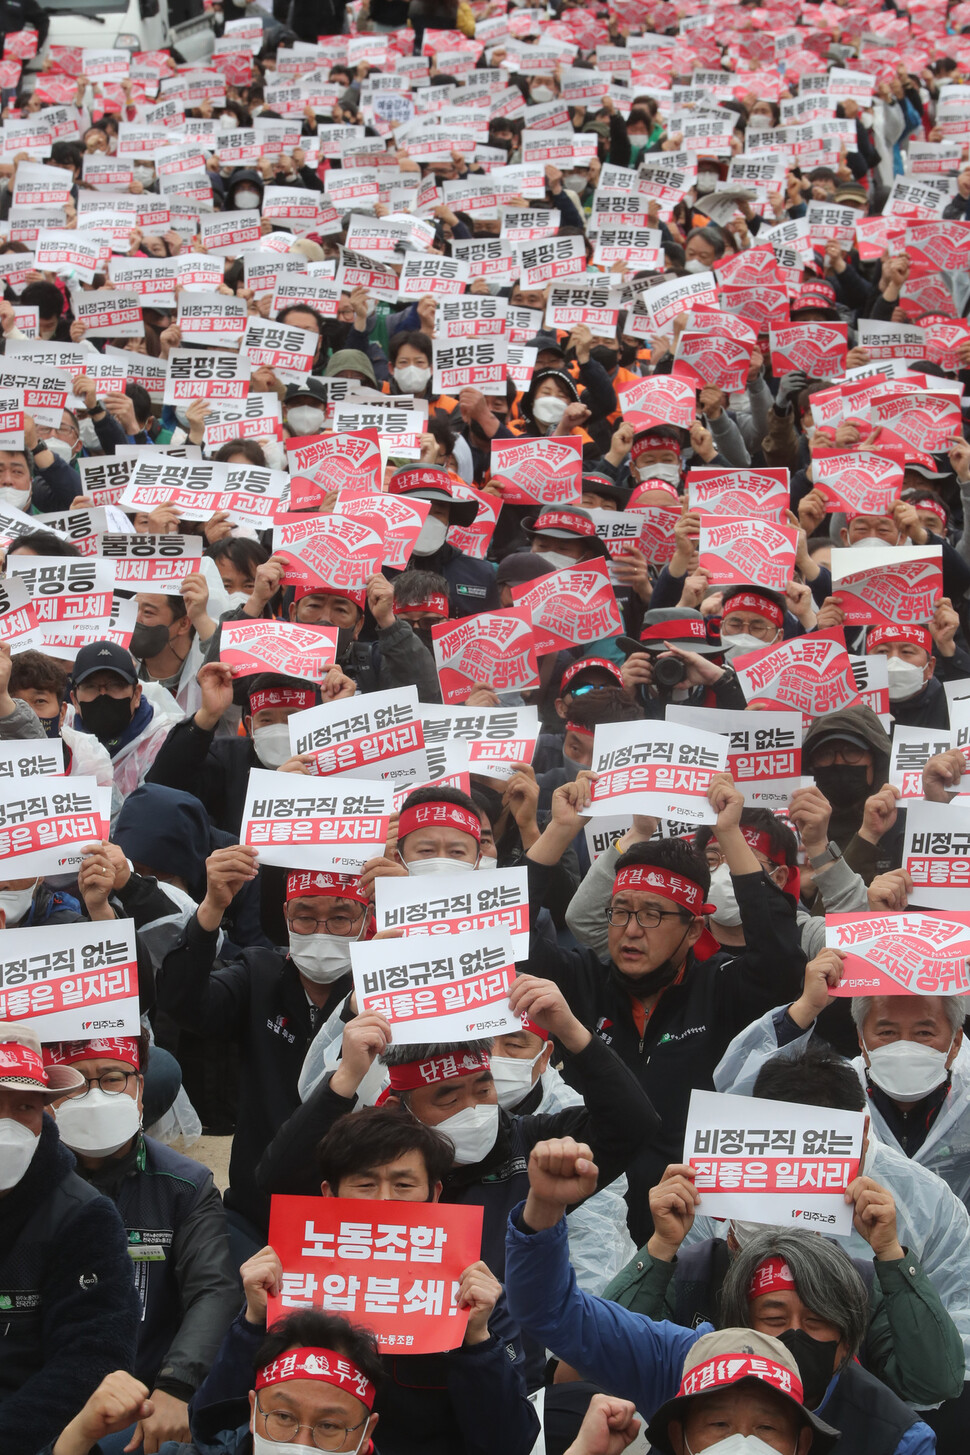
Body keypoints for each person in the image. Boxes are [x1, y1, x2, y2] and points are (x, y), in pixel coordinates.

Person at [505, 1137, 935, 1455]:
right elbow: (551, 1311)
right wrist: (544, 1207)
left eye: (817, 1322)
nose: (794, 1336)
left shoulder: (895, 1438)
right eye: (774, 1319)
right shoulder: (680, 1359)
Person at [525, 773, 805, 1242]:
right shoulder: (579, 983)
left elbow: (780, 959)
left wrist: (729, 834)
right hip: (581, 1230)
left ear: (694, 930)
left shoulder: (723, 988)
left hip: (692, 1234)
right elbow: (500, 935)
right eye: (620, 911)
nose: (631, 930)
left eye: (653, 914)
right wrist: (559, 831)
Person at [188, 1108, 540, 1455]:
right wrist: (252, 1321)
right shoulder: (284, 1280)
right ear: (330, 1193)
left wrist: (477, 1341)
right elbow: (211, 1425)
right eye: (365, 1184)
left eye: (403, 1185)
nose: (385, 1199)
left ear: (433, 1194)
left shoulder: (473, 1294)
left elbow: (510, 1443)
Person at [157, 861, 370, 1260]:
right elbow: (184, 1005)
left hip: (357, 1213)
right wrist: (211, 909)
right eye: (305, 916)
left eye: (341, 917)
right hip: (257, 1208)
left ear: (364, 919)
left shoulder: (384, 987)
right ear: (286, 916)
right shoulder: (259, 973)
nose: (321, 930)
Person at [43, 1034, 239, 1454]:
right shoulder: (23, 1182)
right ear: (49, 1095)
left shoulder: (186, 1184)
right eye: (75, 1081)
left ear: (140, 1088)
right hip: (41, 1392)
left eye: (112, 1078)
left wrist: (176, 1387)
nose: (94, 1095)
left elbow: (213, 1289)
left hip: (140, 1402)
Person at [0, 1021, 139, 1454]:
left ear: (45, 1112)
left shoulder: (83, 1216)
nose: (8, 1126)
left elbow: (91, 1356)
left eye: (24, 1108)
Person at [67, 641, 183, 800]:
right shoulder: (62, 734)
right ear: (74, 700)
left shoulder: (161, 741)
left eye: (115, 685)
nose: (103, 695)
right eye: (91, 686)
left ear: (136, 695)